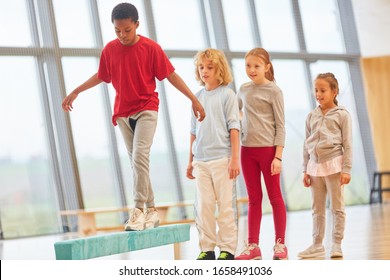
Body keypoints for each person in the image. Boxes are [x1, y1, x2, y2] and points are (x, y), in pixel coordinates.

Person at [61, 3, 205, 231]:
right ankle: (153, 210)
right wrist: (76, 90)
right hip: (122, 114)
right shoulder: (110, 49)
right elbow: (101, 75)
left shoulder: (151, 48)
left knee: (139, 156)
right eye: (117, 31)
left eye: (127, 30)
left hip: (147, 109)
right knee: (137, 163)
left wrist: (193, 99)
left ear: (137, 24)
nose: (122, 35)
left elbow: (170, 75)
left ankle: (138, 210)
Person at [186, 48, 240, 260]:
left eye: (210, 67)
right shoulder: (196, 97)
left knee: (225, 206)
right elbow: (193, 132)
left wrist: (235, 158)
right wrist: (189, 162)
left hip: (222, 160)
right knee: (204, 206)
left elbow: (234, 128)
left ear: (220, 69)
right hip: (201, 161)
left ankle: (227, 248)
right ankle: (206, 249)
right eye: (201, 67)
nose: (204, 71)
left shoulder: (228, 95)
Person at [235, 48, 288, 260]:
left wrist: (278, 156)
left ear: (267, 67)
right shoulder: (243, 89)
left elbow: (280, 126)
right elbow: (236, 113)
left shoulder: (274, 91)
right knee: (253, 199)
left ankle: (280, 245)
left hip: (268, 152)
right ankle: (253, 246)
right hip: (247, 151)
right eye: (248, 65)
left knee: (275, 197)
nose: (251, 70)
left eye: (256, 66)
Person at [298, 73, 352, 259]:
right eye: (316, 90)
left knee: (337, 207)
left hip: (334, 165)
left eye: (323, 90)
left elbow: (348, 143)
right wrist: (305, 169)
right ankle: (317, 244)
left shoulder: (342, 115)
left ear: (334, 91)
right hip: (314, 167)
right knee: (317, 208)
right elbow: (306, 144)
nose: (318, 94)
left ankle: (336, 243)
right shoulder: (311, 116)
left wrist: (347, 169)